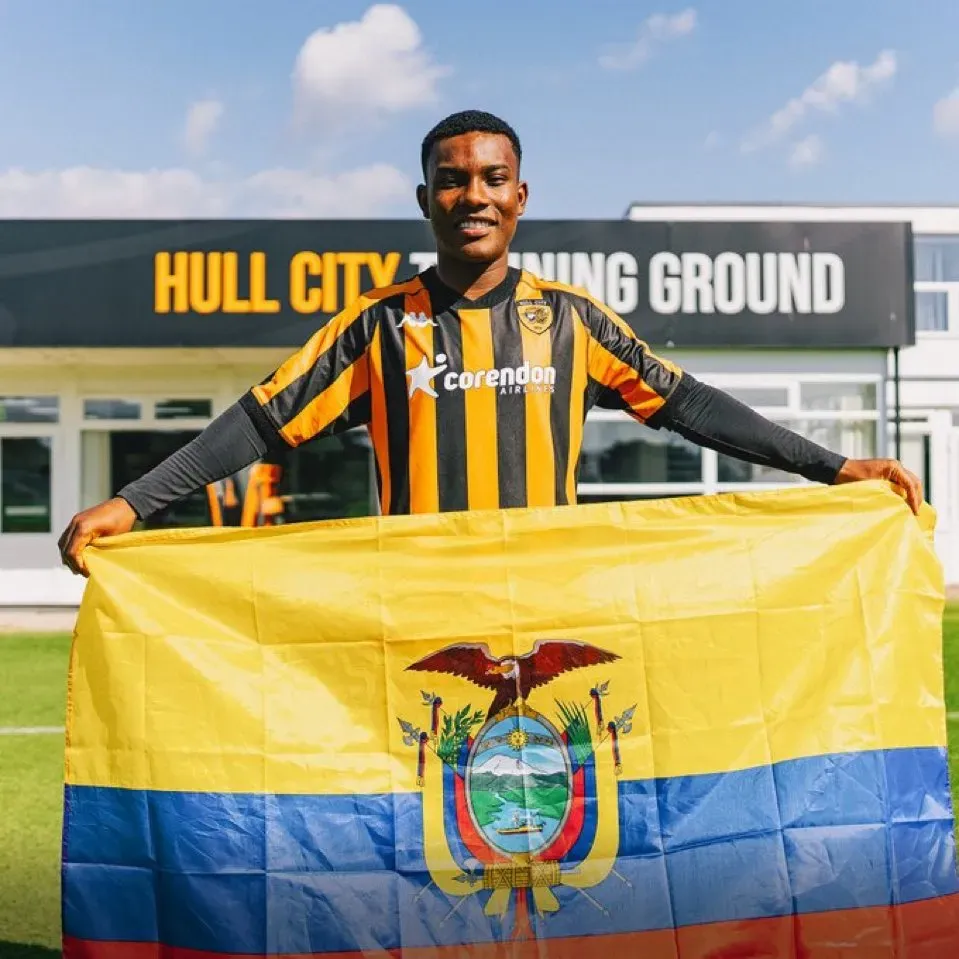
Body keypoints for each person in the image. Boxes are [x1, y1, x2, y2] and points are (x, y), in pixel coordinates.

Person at [58, 110, 922, 576]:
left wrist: (834, 467)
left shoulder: (574, 321)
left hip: (551, 595)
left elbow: (691, 404)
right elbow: (256, 423)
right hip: (416, 600)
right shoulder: (378, 324)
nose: (473, 194)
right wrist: (133, 501)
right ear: (424, 198)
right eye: (452, 180)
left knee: (556, 811)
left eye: (492, 179)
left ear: (519, 196)